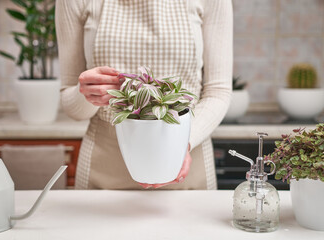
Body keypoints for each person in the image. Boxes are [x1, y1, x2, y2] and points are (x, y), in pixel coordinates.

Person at [55, 0, 233, 190]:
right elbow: (71, 103)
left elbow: (218, 91)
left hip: (185, 163)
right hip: (105, 168)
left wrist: (182, 145)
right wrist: (89, 94)